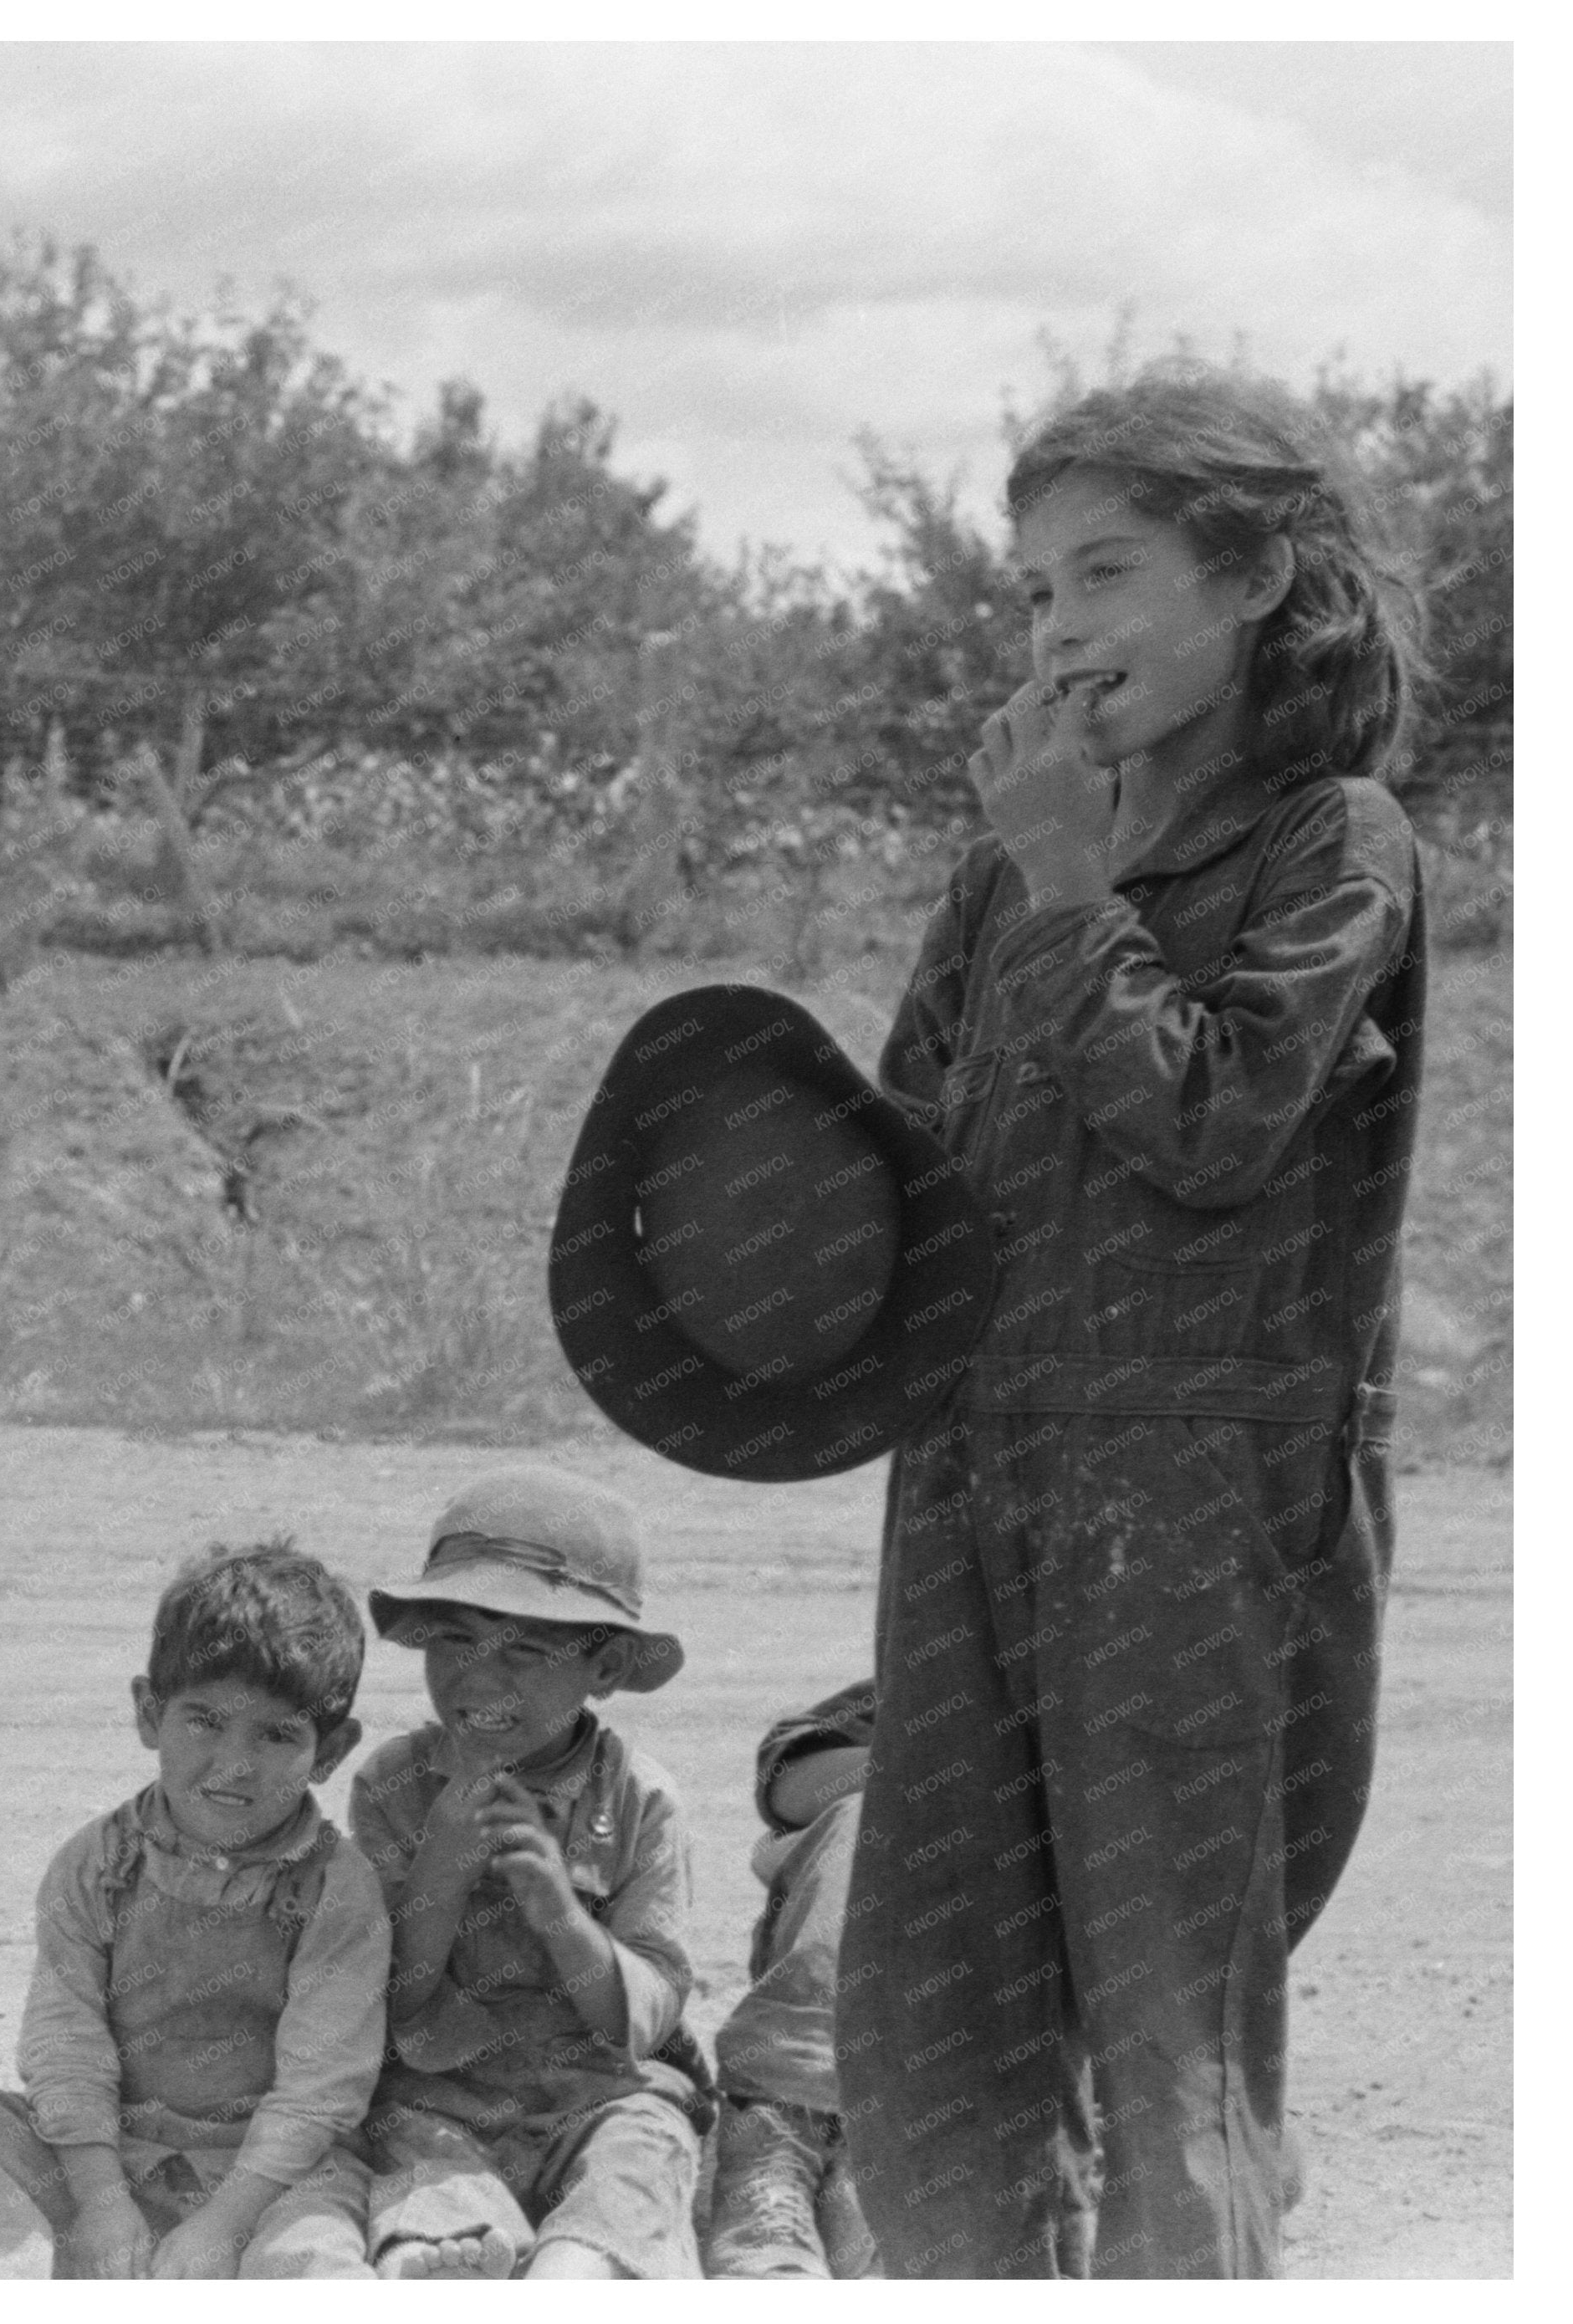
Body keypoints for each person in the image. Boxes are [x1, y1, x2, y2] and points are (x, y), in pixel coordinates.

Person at [837, 358, 1430, 2278]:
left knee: (1171, 2031)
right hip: (973, 1474)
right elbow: (903, 1152)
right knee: (934, 2016)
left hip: (1196, 1496)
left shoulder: (1335, 841)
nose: (1059, 629)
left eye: (1104, 574)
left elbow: (1212, 1121)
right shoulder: (1007, 863)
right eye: (1032, 594)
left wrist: (1075, 880)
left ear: (1253, 578)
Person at [0, 1540, 390, 2278]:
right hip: (104, 2158)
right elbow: (67, 2042)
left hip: (270, 2176)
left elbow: (322, 2088)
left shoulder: (336, 1889)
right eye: (204, 1720)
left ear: (331, 1750)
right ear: (149, 1713)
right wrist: (100, 2202)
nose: (235, 1762)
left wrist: (222, 2225)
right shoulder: (96, 1865)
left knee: (319, 2244)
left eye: (277, 1733)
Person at [347, 1468, 710, 2281]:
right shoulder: (392, 1783)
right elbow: (389, 1997)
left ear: (605, 1665)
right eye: (453, 1640)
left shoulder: (638, 1797)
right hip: (446, 2090)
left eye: (524, 1648)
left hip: (596, 2089)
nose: (479, 1676)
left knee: (641, 2146)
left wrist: (555, 1903)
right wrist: (441, 1857)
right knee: (408, 2142)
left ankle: (575, 2268)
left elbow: (641, 2021)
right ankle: (450, 2253)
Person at [701, 1681, 876, 2279]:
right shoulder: (964, 1656)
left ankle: (868, 2164)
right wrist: (961, 1757)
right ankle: (773, 2141)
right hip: (835, 2003)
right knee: (859, 1820)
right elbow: (791, 1784)